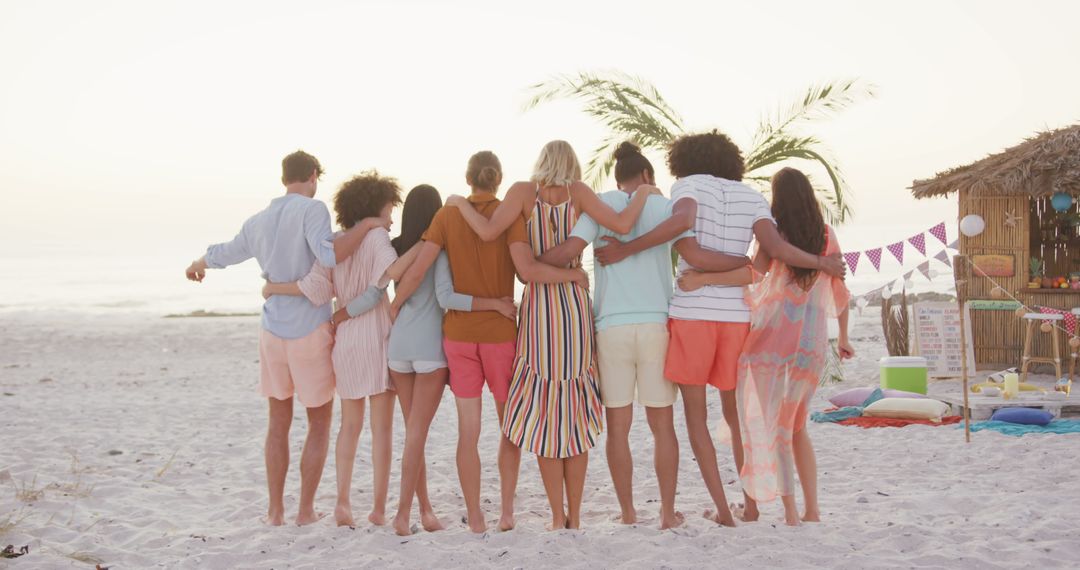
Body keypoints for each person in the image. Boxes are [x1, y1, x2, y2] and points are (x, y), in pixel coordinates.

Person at [593, 132, 845, 526]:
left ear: (683, 160)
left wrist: (628, 248)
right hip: (735, 320)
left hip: (693, 315)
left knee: (696, 418)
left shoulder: (687, 185)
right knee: (735, 417)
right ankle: (752, 505)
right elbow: (773, 253)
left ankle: (725, 511)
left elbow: (687, 238)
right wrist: (817, 260)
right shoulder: (752, 197)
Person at [534, 142, 747, 529]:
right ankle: (667, 513)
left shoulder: (597, 205)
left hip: (611, 327)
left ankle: (629, 513)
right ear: (647, 177)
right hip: (655, 326)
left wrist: (529, 264)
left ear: (618, 178)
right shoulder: (664, 207)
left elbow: (570, 248)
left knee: (619, 427)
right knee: (661, 425)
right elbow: (694, 252)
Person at [449, 141, 650, 530]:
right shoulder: (580, 192)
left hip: (539, 309)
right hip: (573, 309)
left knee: (546, 416)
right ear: (572, 164)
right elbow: (623, 225)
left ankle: (558, 517)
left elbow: (492, 234)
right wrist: (642, 192)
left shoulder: (524, 192)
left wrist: (459, 203)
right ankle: (574, 517)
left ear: (541, 161)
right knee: (572, 416)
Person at [183, 150, 387, 526]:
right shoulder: (312, 210)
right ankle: (305, 511)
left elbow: (227, 254)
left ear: (283, 178)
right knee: (319, 421)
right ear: (312, 176)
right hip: (309, 330)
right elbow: (328, 256)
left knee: (278, 420)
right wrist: (368, 224)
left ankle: (275, 511)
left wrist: (199, 264)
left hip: (271, 330)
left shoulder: (257, 221)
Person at [393, 151, 587, 533]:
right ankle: (506, 512)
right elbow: (525, 270)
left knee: (469, 432)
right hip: (500, 337)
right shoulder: (511, 215)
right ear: (498, 179)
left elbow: (417, 270)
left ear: (468, 179)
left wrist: (394, 304)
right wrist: (573, 274)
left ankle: (476, 518)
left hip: (459, 339)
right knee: (509, 428)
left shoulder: (447, 216)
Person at [679, 167, 853, 526]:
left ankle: (788, 512)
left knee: (773, 427)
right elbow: (840, 291)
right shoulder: (826, 236)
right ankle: (811, 510)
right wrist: (846, 337)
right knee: (796, 426)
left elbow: (752, 275)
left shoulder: (776, 237)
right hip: (811, 345)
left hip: (771, 343)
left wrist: (703, 279)